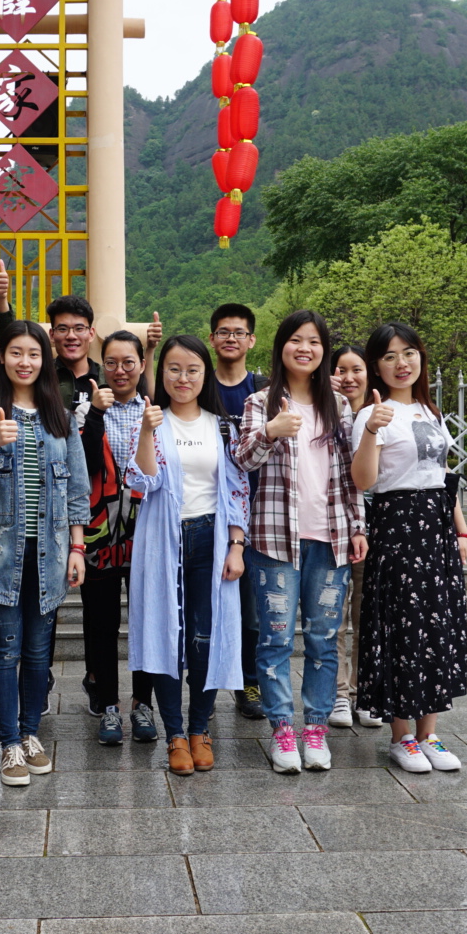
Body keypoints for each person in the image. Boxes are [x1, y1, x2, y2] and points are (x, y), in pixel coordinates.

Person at [235, 310, 367, 775]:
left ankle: (315, 729)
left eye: (313, 341)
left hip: (330, 540)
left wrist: (358, 527)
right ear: (281, 347)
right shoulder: (259, 402)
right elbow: (242, 460)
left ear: (323, 350)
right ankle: (282, 731)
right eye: (296, 340)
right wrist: (270, 431)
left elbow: (352, 476)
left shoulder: (339, 406)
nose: (304, 348)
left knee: (323, 640)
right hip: (274, 542)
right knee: (274, 640)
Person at [0, 320, 89, 787]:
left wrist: (78, 546)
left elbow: (77, 489)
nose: (25, 361)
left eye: (34, 354)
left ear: (44, 360)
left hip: (51, 553)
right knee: (5, 650)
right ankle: (10, 744)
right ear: (3, 359)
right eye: (16, 352)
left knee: (38, 653)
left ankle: (31, 734)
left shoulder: (61, 418)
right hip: (0, 554)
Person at [126, 336, 249, 775]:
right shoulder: (151, 422)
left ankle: (200, 730)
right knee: (164, 636)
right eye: (174, 369)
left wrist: (237, 545)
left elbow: (237, 490)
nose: (183, 378)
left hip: (210, 539)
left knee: (204, 637)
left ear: (205, 374)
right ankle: (175, 735)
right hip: (162, 540)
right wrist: (146, 430)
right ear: (161, 373)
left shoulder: (222, 426)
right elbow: (142, 482)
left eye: (193, 369)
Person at [351, 322, 467, 775]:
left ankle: (429, 733)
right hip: (398, 526)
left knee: (437, 627)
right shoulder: (372, 414)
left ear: (421, 356)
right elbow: (363, 481)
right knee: (402, 626)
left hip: (436, 528)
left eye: (409, 353)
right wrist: (371, 430)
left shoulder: (429, 410)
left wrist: (459, 531)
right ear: (377, 366)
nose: (402, 363)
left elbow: (442, 477)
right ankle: (402, 736)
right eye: (389, 356)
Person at [77, 330, 156, 745]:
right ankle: (108, 704)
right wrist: (94, 413)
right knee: (101, 622)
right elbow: (83, 466)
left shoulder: (156, 410)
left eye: (128, 362)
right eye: (111, 362)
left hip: (148, 527)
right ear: (101, 365)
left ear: (142, 364)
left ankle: (143, 703)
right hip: (100, 531)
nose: (120, 370)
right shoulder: (86, 409)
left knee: (146, 618)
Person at [209, 303, 269, 721]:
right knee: (205, 604)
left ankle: (249, 682)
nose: (231, 338)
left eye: (239, 332)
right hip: (207, 510)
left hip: (258, 512)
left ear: (251, 340)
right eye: (223, 331)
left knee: (251, 610)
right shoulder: (199, 385)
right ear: (212, 338)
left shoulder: (264, 391)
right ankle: (205, 684)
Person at [0, 265, 162, 410]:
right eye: (63, 329)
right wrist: (1, 299)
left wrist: (150, 349)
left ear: (91, 333)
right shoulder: (42, 374)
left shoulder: (108, 377)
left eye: (79, 328)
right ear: (52, 335)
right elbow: (12, 339)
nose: (71, 336)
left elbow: (147, 395)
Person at [328, 344, 382, 731]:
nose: (349, 378)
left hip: (376, 525)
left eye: (356, 369)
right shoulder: (323, 412)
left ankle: (365, 692)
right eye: (340, 370)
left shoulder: (381, 413)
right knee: (332, 616)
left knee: (367, 613)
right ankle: (337, 694)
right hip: (332, 522)